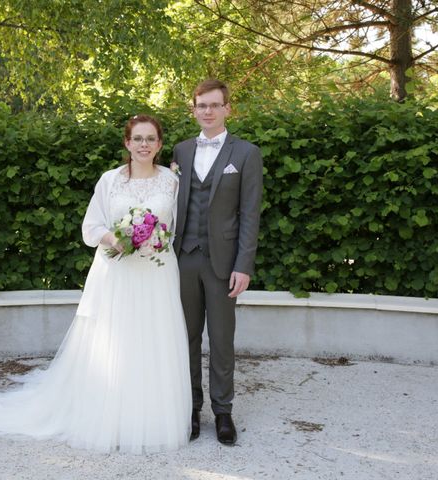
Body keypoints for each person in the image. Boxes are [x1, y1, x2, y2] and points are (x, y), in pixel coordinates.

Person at [0, 115, 192, 454]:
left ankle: (152, 419)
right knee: (115, 345)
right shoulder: (109, 180)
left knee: (154, 341)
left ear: (159, 145)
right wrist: (115, 238)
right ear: (127, 144)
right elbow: (90, 227)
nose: (144, 145)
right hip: (116, 274)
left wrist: (156, 240)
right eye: (138, 139)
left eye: (151, 139)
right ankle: (109, 417)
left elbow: (181, 227)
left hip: (157, 274)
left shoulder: (172, 183)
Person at [172, 79, 263, 445]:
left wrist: (244, 264)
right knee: (187, 337)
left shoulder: (246, 153)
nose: (207, 111)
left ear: (228, 108)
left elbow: (250, 214)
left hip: (225, 263)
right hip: (182, 260)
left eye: (214, 105)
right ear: (193, 109)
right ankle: (191, 408)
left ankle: (223, 412)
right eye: (201, 105)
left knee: (222, 340)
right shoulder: (179, 152)